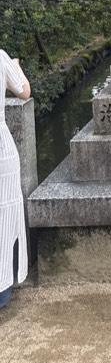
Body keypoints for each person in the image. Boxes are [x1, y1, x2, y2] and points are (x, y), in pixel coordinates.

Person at [0, 49, 30, 309]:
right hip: (2, 152)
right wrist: (16, 67)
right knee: (5, 220)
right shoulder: (0, 57)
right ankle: (3, 289)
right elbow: (23, 91)